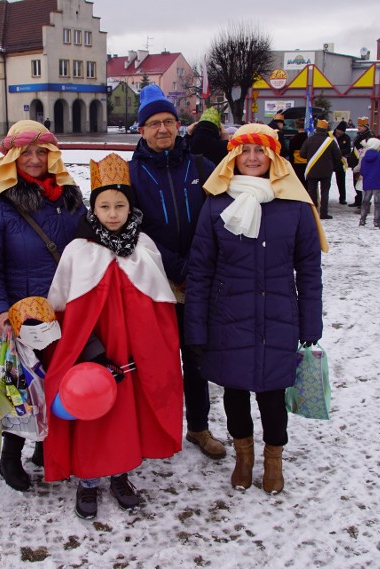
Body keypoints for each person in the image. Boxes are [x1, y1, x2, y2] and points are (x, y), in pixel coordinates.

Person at [185, 124, 327, 494]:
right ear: (232, 156)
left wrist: (311, 321)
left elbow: (309, 268)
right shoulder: (216, 204)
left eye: (259, 151)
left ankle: (273, 459)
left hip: (279, 317)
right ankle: (244, 457)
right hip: (228, 317)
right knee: (235, 393)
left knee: (272, 394)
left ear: (273, 157)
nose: (251, 157)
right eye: (244, 150)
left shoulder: (295, 207)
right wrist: (196, 328)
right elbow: (200, 270)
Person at [44, 153, 184, 519]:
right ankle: (88, 480)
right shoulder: (79, 251)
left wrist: (152, 351)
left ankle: (121, 475)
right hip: (94, 357)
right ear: (94, 207)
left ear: (130, 207)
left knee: (127, 416)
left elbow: (159, 306)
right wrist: (91, 353)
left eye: (120, 205)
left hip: (134, 359)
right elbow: (67, 312)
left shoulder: (145, 247)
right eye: (104, 205)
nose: (112, 213)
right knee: (94, 414)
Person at [0, 120, 86, 492]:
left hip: (65, 309)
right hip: (21, 315)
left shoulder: (69, 196)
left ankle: (48, 447)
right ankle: (11, 454)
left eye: (43, 152)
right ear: (12, 157)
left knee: (56, 382)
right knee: (19, 388)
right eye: (27, 152)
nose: (35, 159)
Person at [127, 84, 226, 460]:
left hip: (199, 280)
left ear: (180, 124)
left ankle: (198, 428)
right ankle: (150, 427)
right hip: (153, 281)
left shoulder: (201, 166)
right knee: (153, 361)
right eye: (153, 123)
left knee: (196, 358)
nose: (162, 129)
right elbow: (129, 227)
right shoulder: (131, 174)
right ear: (142, 130)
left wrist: (197, 266)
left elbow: (220, 218)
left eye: (168, 121)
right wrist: (173, 264)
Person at [300, 118, 343, 219]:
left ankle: (313, 213)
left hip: (312, 170)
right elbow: (338, 156)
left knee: (311, 192)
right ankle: (323, 213)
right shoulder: (330, 141)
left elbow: (302, 154)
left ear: (316, 128)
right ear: (326, 130)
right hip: (326, 171)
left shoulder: (309, 140)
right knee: (325, 192)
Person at [347, 117, 374, 207]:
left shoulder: (369, 136)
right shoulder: (359, 135)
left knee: (362, 183)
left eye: (361, 126)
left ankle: (365, 201)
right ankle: (358, 199)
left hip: (364, 163)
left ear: (366, 127)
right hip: (356, 162)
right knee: (356, 182)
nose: (358, 127)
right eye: (358, 126)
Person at [332, 121, 352, 205]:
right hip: (330, 161)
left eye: (341, 134)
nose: (339, 135)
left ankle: (342, 198)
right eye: (338, 133)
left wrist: (339, 152)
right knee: (326, 181)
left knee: (341, 181)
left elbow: (348, 150)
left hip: (341, 161)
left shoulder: (346, 138)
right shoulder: (330, 136)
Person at [287, 117, 309, 186]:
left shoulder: (293, 138)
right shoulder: (309, 138)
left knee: (299, 182)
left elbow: (291, 153)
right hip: (307, 162)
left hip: (297, 163)